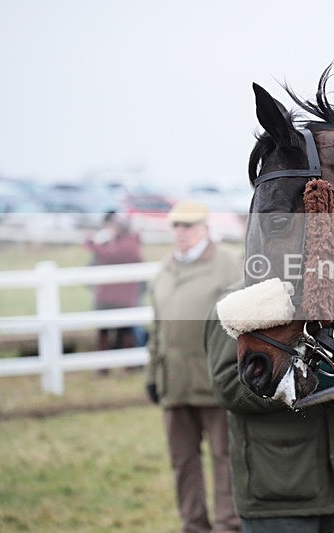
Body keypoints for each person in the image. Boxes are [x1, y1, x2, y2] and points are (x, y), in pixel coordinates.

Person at [205, 282, 334, 533]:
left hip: (328, 480)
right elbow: (228, 387)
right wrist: (314, 384)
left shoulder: (307, 299)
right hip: (277, 488)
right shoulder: (236, 305)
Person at [145, 200, 242, 533]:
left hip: (215, 381)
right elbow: (157, 327)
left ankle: (228, 524)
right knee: (183, 462)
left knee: (224, 457)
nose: (181, 233)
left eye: (188, 226)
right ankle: (193, 523)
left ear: (205, 228)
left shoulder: (229, 264)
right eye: (176, 226)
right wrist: (152, 375)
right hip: (174, 382)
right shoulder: (165, 269)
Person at [84, 211, 143, 364]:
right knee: (105, 332)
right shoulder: (110, 241)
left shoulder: (129, 244)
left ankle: (127, 365)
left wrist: (94, 245)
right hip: (108, 296)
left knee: (125, 332)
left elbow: (113, 255)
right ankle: (105, 365)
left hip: (122, 296)